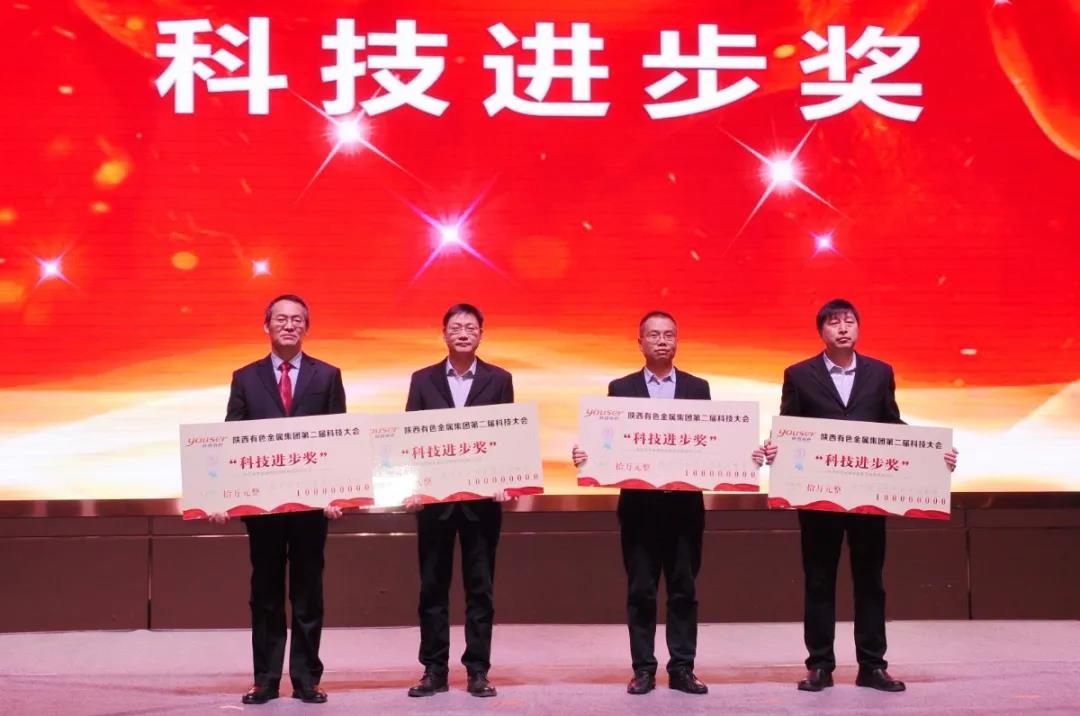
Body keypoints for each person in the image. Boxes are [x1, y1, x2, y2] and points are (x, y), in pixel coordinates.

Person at [766, 298, 958, 693]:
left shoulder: (880, 372)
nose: (842, 328)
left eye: (849, 321)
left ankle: (872, 665)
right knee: (819, 579)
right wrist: (775, 451)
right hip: (819, 497)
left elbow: (891, 424)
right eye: (834, 322)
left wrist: (934, 456)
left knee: (870, 580)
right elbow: (788, 427)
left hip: (870, 496)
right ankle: (820, 665)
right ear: (821, 331)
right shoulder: (799, 375)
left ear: (858, 328)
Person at [572, 311, 767, 695]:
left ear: (677, 341)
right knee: (641, 591)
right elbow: (606, 442)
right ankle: (643, 669)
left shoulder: (697, 388)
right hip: (639, 509)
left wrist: (747, 457)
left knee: (683, 591)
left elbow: (714, 443)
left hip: (684, 510)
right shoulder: (621, 388)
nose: (662, 341)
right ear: (639, 342)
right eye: (654, 335)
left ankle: (682, 668)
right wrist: (586, 456)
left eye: (669, 335)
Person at [211, 294, 347, 705]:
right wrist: (222, 495)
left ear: (307, 327)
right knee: (266, 593)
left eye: (297, 319)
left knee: (308, 592)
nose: (289, 325)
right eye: (281, 319)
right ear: (266, 326)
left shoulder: (328, 376)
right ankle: (266, 679)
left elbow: (340, 440)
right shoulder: (245, 378)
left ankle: (307, 679)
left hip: (311, 507)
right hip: (263, 509)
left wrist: (338, 494)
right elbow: (231, 440)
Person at [403, 303, 515, 698]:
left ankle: (478, 670)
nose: (463, 333)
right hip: (434, 504)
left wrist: (506, 481)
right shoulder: (422, 380)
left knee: (480, 589)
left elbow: (508, 438)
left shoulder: (500, 379)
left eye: (470, 327)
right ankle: (433, 670)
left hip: (481, 504)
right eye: (456, 327)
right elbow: (409, 439)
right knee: (432, 588)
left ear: (481, 333)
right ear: (444, 333)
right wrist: (410, 486)